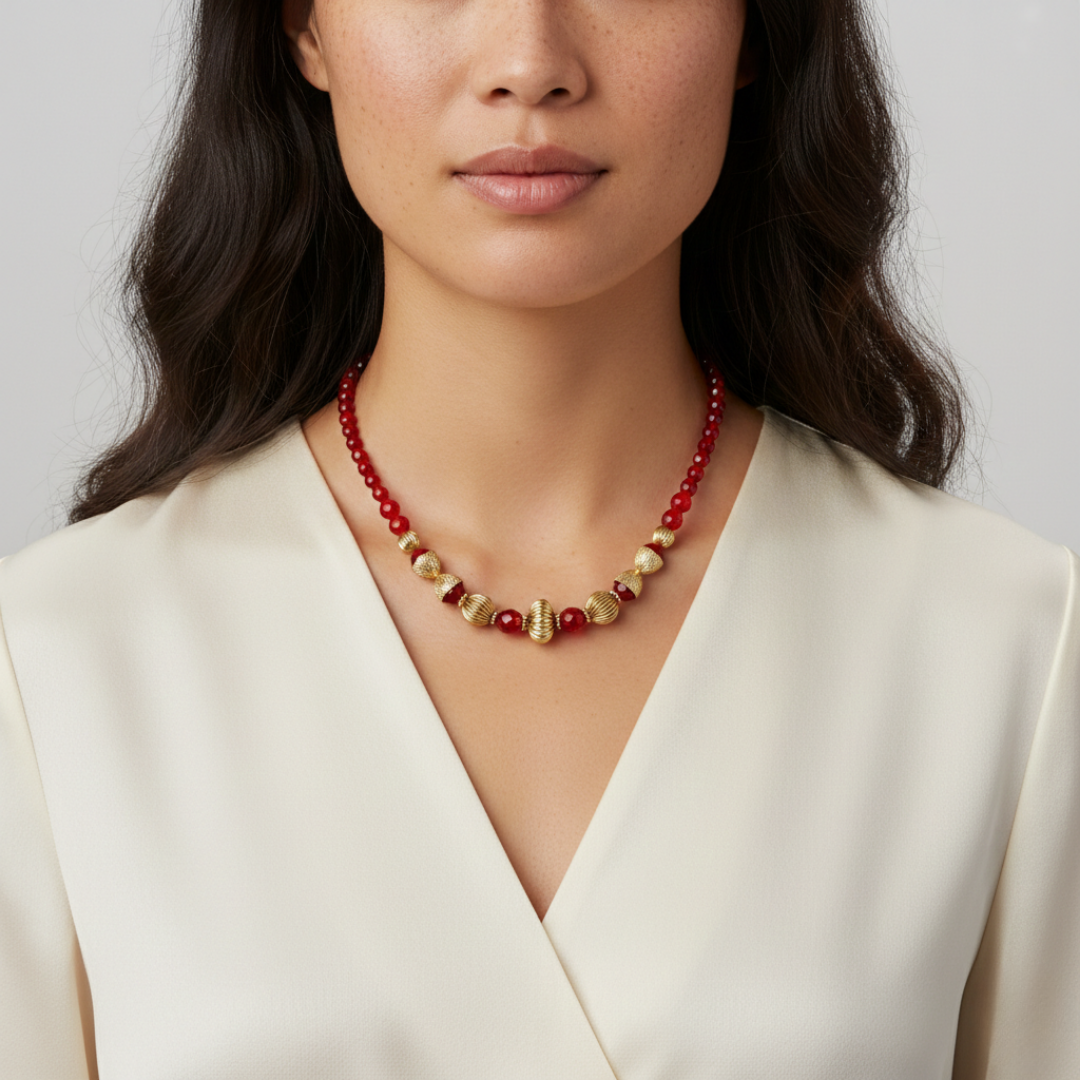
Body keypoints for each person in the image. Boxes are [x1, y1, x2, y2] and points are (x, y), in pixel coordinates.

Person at [1, 0, 1076, 1075]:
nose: (531, 64)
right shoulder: (54, 662)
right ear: (302, 27)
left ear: (757, 30)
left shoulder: (1010, 644)